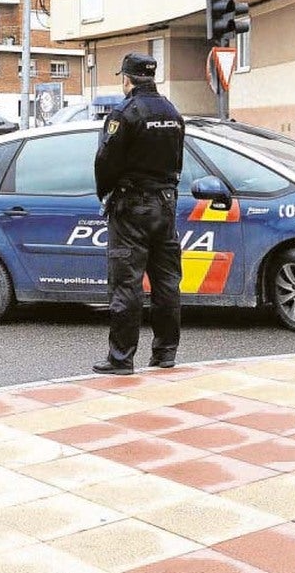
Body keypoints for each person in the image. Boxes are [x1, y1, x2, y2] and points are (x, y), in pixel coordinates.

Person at [92, 54, 185, 375]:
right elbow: (178, 160)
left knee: (126, 283)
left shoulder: (125, 114)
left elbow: (105, 160)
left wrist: (106, 192)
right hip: (166, 204)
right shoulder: (172, 112)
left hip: (132, 206)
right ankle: (165, 353)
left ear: (127, 79)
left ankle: (121, 358)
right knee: (167, 282)